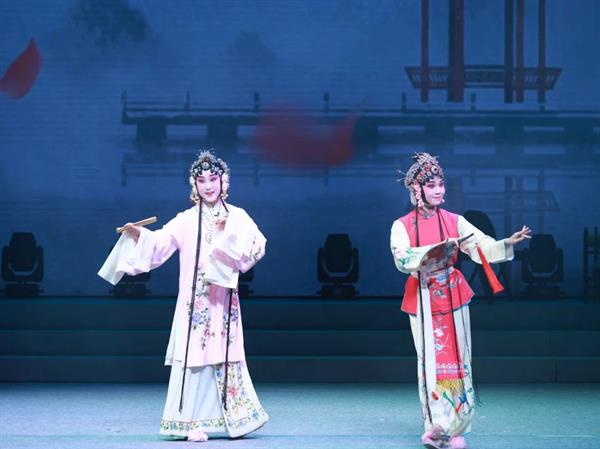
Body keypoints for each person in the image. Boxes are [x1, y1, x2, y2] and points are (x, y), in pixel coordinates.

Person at [99, 150, 268, 442]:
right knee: (195, 356)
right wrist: (139, 235)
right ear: (194, 184)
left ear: (224, 181)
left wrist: (231, 242)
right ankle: (191, 423)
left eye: (213, 179)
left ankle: (236, 419)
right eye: (201, 181)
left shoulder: (237, 217)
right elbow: (160, 244)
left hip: (223, 301)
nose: (208, 186)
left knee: (225, 354)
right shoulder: (186, 220)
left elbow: (257, 245)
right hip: (195, 304)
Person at [390, 153, 530, 449]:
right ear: (416, 189)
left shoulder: (455, 220)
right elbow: (402, 258)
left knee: (458, 360)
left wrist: (505, 243)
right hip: (423, 295)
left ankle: (456, 428)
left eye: (441, 184)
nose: (438, 190)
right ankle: (435, 427)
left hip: (453, 295)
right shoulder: (402, 225)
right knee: (430, 362)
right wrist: (437, 249)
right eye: (431, 185)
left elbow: (480, 245)